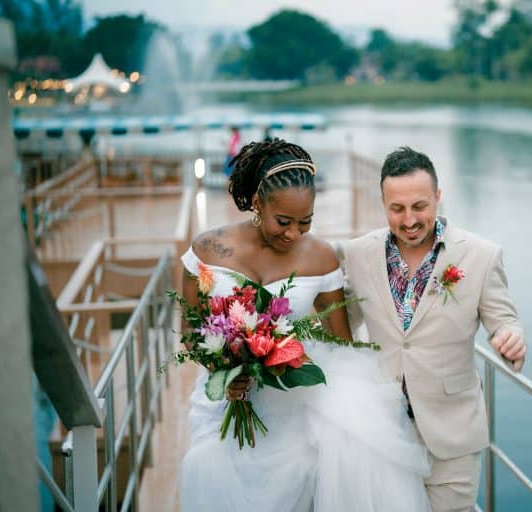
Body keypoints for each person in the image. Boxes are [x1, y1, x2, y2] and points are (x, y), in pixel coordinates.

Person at [179, 139, 431, 511]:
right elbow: (189, 332)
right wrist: (224, 370)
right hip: (227, 398)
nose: (294, 234)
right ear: (258, 203)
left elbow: (343, 345)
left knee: (312, 464)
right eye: (283, 222)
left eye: (305, 222)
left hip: (295, 402)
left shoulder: (321, 257)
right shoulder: (208, 250)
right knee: (208, 465)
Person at [343, 146, 527, 512]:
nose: (409, 219)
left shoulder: (481, 254)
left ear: (438, 197)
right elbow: (338, 328)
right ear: (383, 203)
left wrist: (512, 337)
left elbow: (503, 320)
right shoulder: (357, 254)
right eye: (397, 209)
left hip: (452, 434)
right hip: (383, 430)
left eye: (420, 206)